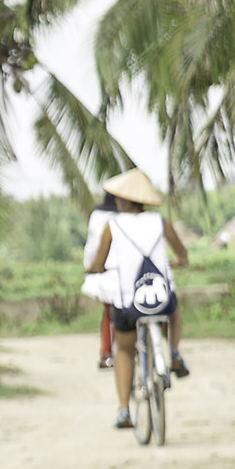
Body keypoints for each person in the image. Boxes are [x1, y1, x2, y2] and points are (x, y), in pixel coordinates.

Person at [85, 167, 191, 428]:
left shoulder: (113, 226)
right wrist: (177, 262)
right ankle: (175, 352)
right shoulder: (160, 222)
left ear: (122, 199)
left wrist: (95, 269)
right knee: (173, 313)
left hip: (129, 304)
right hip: (160, 299)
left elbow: (98, 263)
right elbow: (183, 255)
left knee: (124, 349)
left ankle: (123, 409)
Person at [81, 192, 117, 370]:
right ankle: (109, 352)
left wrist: (90, 267)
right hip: (118, 271)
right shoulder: (126, 216)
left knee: (109, 311)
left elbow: (92, 246)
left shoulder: (98, 216)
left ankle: (106, 353)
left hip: (103, 270)